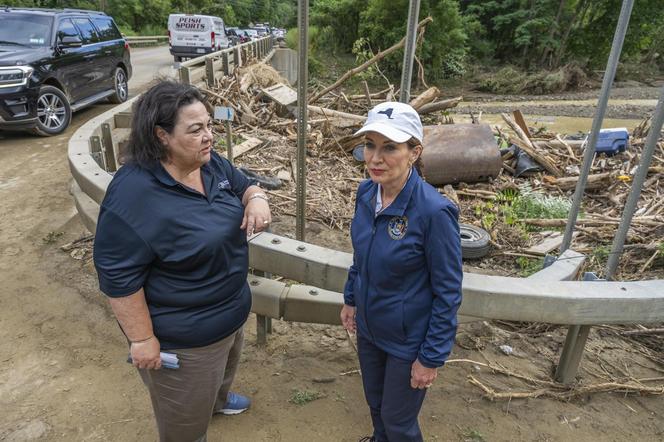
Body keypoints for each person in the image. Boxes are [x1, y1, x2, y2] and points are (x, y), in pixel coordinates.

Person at [93, 80, 271, 442]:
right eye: (196, 130)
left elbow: (242, 183)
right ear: (161, 136)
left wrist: (256, 196)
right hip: (187, 342)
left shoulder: (208, 163)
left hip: (230, 313)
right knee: (185, 426)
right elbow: (117, 275)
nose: (209, 136)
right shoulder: (134, 195)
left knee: (223, 369)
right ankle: (194, 417)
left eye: (209, 125)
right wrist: (142, 339)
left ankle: (217, 401)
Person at [340, 102, 463, 442]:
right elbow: (361, 255)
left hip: (407, 340)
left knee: (399, 421)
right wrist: (351, 299)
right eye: (370, 145)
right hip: (370, 327)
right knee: (376, 405)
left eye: (390, 147)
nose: (375, 159)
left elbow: (448, 292)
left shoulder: (434, 213)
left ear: (414, 151)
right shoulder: (366, 193)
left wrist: (431, 357)